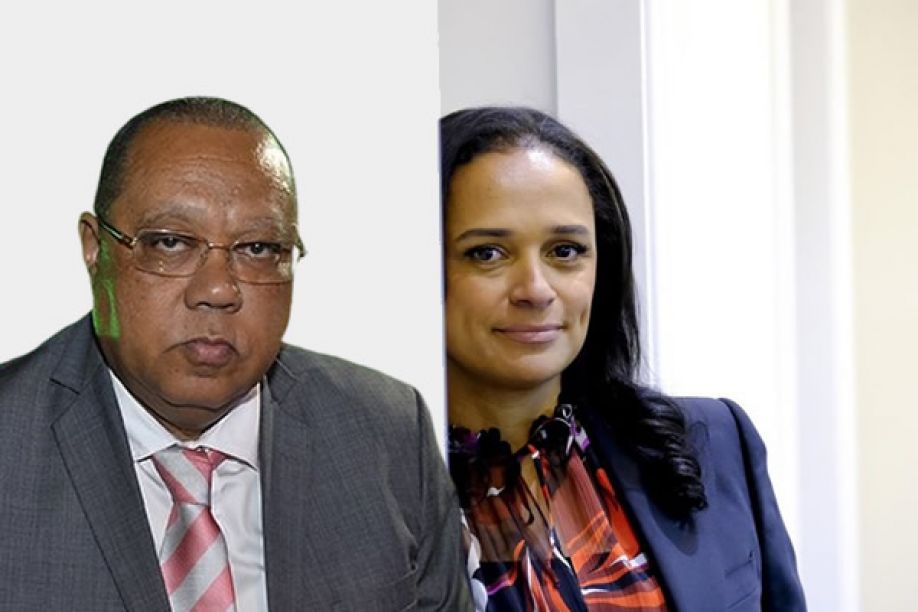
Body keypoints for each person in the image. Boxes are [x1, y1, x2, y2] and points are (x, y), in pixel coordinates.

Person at [0, 97, 470, 611]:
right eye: (170, 243)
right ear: (95, 248)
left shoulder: (385, 432)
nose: (218, 289)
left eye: (258, 249)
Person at [439, 106, 806, 611]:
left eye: (565, 251)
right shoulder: (380, 491)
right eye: (487, 253)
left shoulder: (715, 442)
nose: (535, 290)